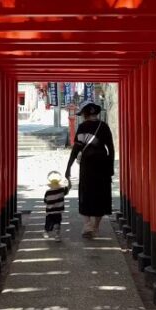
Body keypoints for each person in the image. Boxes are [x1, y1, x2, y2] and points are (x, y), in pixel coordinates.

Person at [64, 102, 115, 239]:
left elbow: (76, 149)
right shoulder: (104, 126)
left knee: (86, 192)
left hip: (87, 165)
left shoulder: (82, 127)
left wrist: (68, 168)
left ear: (85, 114)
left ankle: (87, 225)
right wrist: (110, 168)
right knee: (101, 194)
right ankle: (96, 226)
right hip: (103, 164)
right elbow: (111, 148)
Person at [43, 171, 69, 242]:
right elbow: (67, 190)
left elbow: (45, 200)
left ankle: (46, 232)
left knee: (48, 223)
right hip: (58, 211)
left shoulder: (48, 192)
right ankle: (57, 236)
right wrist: (67, 182)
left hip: (50, 211)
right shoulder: (61, 190)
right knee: (57, 223)